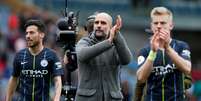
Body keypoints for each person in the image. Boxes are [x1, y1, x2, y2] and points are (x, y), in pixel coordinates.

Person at [136, 6, 192, 101]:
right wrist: (153, 52)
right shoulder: (145, 51)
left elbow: (187, 69)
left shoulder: (181, 46)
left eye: (163, 23)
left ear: (171, 25)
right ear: (151, 26)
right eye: (155, 23)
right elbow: (141, 78)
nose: (158, 26)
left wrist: (167, 48)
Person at [75, 12, 132, 101]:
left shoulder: (116, 45)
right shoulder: (84, 42)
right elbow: (82, 55)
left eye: (103, 23)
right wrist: (108, 42)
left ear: (110, 27)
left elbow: (126, 60)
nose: (99, 25)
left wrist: (117, 34)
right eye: (96, 23)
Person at [6, 19, 64, 101]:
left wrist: (56, 98)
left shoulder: (52, 55)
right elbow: (14, 79)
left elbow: (58, 80)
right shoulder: (19, 55)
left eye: (32, 32)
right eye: (27, 33)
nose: (28, 36)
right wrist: (8, 99)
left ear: (41, 35)